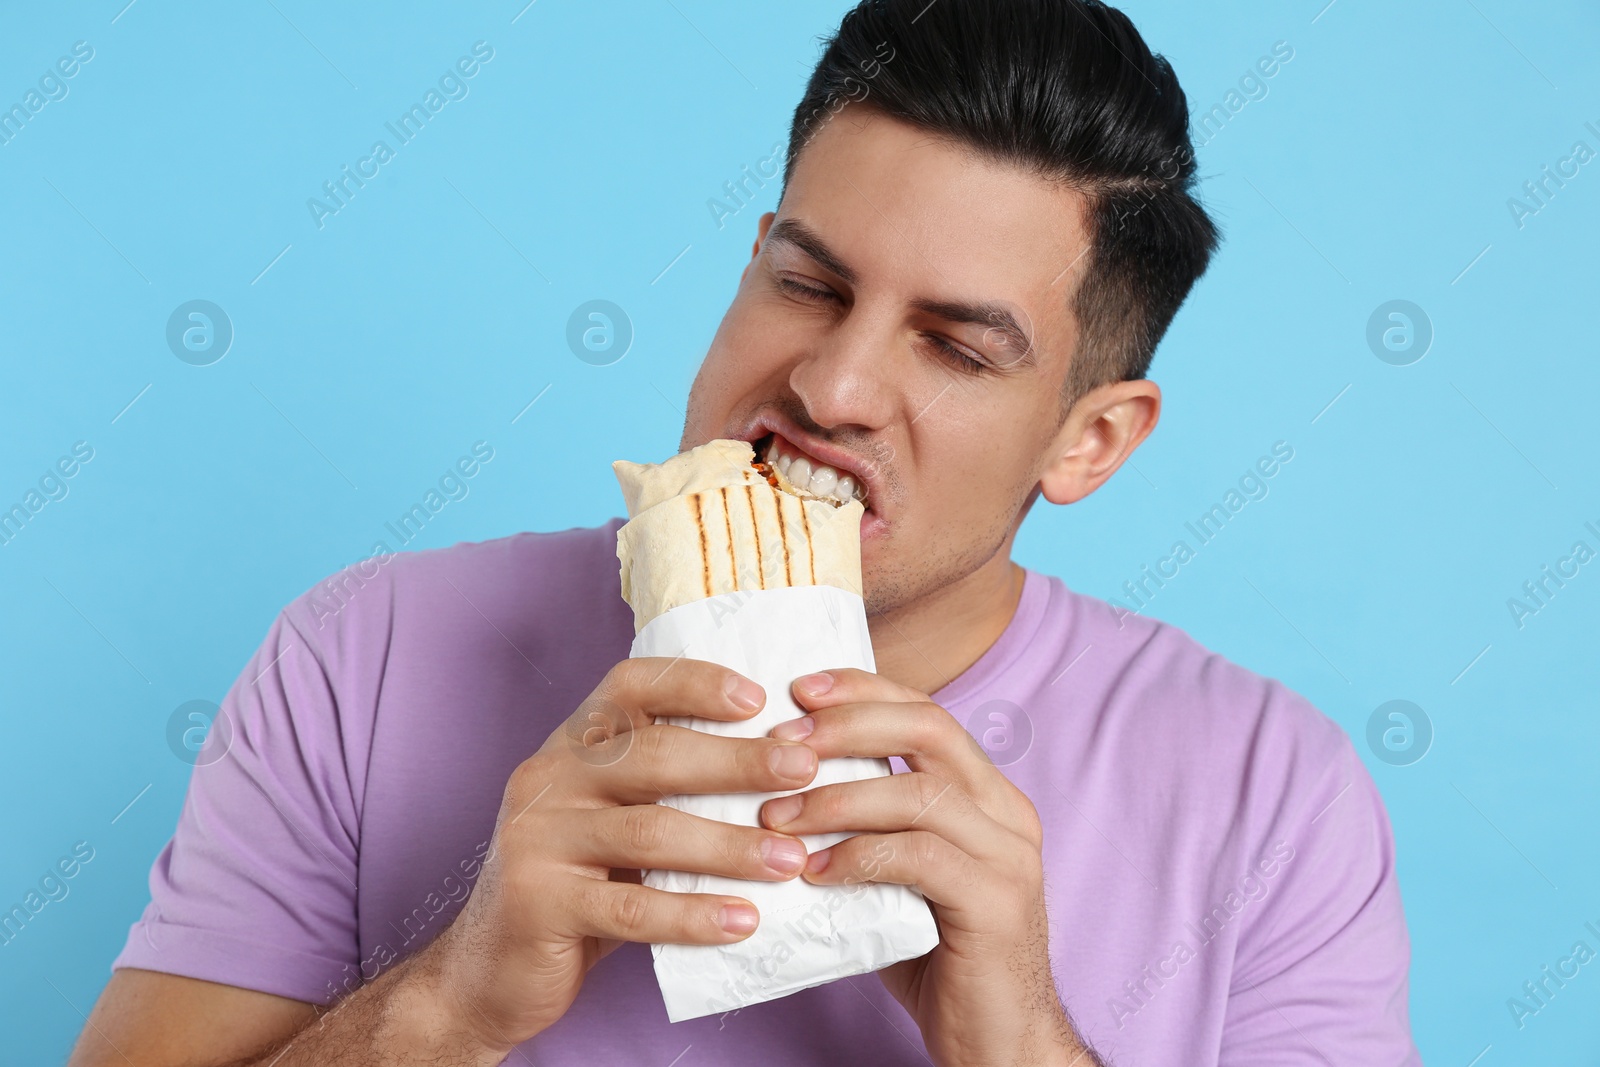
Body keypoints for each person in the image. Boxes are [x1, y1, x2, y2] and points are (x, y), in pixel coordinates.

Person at [69, 0, 1420, 1063]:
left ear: (1091, 440)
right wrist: (449, 1005)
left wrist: (1015, 1039)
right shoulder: (361, 657)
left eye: (955, 349)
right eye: (808, 284)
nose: (831, 387)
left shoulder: (1271, 792)